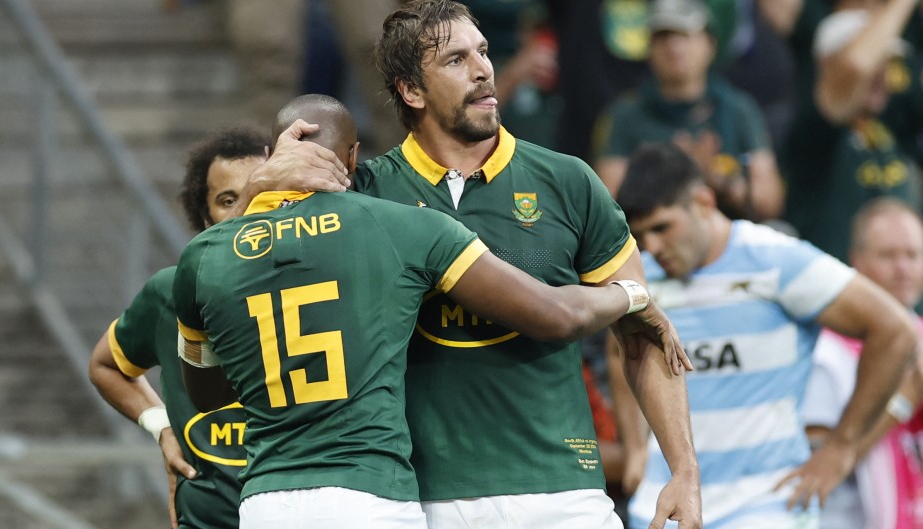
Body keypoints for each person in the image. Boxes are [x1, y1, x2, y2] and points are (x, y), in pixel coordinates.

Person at [237, 2, 703, 528]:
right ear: (410, 90)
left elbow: (642, 335)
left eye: (482, 51)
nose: (484, 68)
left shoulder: (568, 181)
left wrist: (684, 470)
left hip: (563, 492)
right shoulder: (365, 194)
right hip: (425, 499)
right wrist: (260, 186)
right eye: (456, 60)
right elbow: (240, 278)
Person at [610, 142, 916, 528]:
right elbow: (620, 347)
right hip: (667, 504)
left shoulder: (776, 260)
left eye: (662, 227)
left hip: (766, 505)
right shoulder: (645, 272)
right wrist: (636, 446)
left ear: (704, 202)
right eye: (641, 234)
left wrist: (842, 448)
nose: (652, 246)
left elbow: (895, 330)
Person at [87, 126, 269, 529]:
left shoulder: (323, 285)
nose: (246, 211)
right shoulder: (171, 291)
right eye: (227, 200)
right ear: (204, 217)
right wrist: (162, 426)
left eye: (261, 192)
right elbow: (106, 366)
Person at [593, 0, 784, 222]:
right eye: (663, 36)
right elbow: (606, 205)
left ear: (710, 44)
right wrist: (673, 175)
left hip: (728, 236)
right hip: (652, 242)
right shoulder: (626, 114)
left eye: (685, 34)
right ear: (649, 48)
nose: (674, 46)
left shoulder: (738, 109)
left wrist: (722, 183)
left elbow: (770, 204)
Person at [801, 197, 923, 529]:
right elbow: (817, 470)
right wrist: (906, 398)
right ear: (856, 261)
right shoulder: (826, 351)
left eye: (913, 255)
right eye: (888, 255)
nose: (903, 269)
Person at [781, 0, 922, 262]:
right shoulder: (814, 132)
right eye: (874, 63)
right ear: (825, 63)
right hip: (837, 296)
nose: (882, 73)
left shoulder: (895, 127)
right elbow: (855, 65)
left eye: (887, 62)